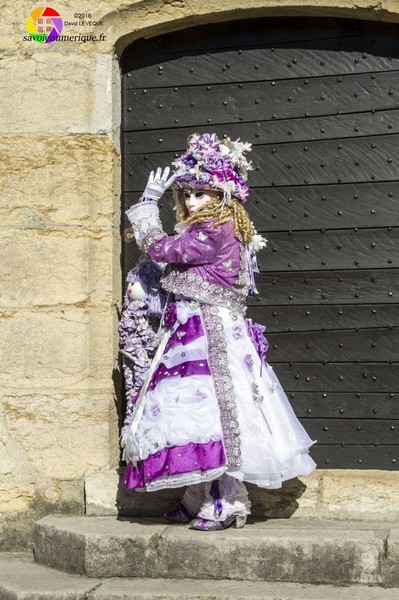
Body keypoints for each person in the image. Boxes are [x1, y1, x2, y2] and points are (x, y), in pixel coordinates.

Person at [121, 132, 316, 530]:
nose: (192, 201)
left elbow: (164, 251)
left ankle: (227, 501)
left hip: (208, 334)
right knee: (193, 413)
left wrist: (145, 205)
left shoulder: (213, 231)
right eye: (187, 194)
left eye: (201, 193)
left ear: (223, 195)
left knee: (212, 412)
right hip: (193, 328)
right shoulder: (209, 228)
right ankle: (198, 495)